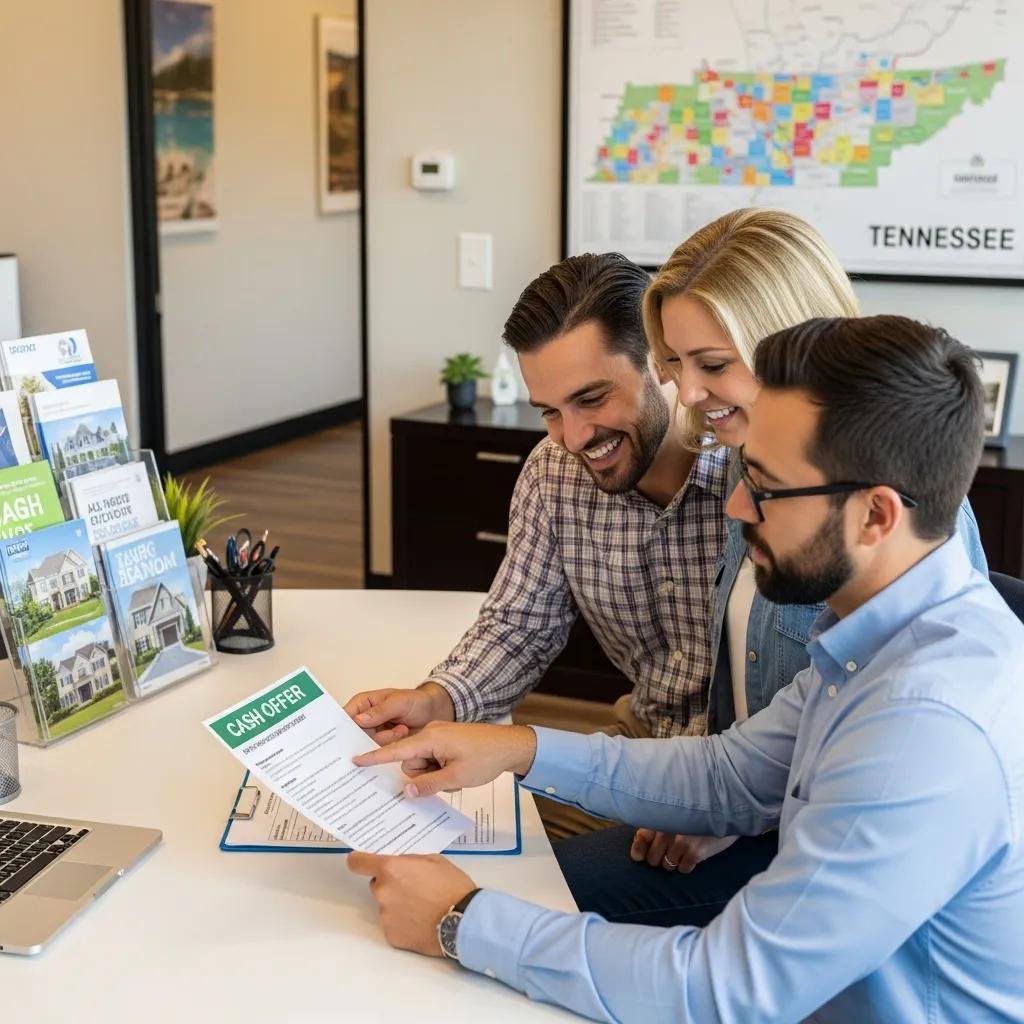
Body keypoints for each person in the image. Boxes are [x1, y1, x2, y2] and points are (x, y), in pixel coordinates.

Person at [347, 315, 1024, 1023]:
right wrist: (515, 748)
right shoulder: (876, 635)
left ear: (875, 516)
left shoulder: (924, 727)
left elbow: (724, 989)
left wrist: (461, 920)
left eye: (763, 486)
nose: (737, 506)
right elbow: (729, 774)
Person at [554, 208, 987, 925]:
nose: (687, 393)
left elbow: (887, 761)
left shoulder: (886, 518)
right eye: (676, 364)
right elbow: (757, 741)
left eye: (713, 365)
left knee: (532, 901)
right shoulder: (743, 469)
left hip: (816, 857)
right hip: (742, 806)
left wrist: (736, 815)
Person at [345, 253, 734, 839]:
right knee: (440, 832)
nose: (573, 437)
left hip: (740, 782)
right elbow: (520, 626)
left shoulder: (755, 476)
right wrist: (438, 699)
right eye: (551, 411)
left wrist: (709, 809)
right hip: (633, 751)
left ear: (663, 364)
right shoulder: (554, 471)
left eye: (593, 398)